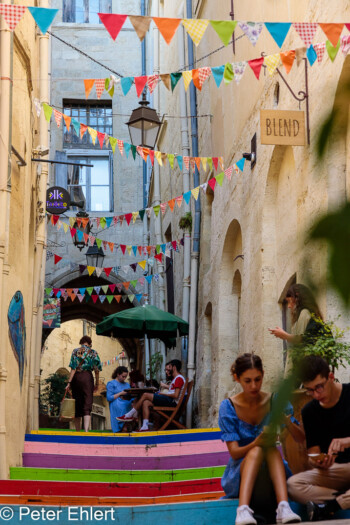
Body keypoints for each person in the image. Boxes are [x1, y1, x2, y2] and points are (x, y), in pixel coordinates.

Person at [219, 353, 303, 525]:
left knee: (269, 447)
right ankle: (242, 510)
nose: (254, 386)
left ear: (263, 375)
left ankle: (283, 507)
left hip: (273, 468)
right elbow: (234, 453)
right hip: (240, 472)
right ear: (237, 378)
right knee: (259, 448)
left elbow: (300, 437)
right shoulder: (229, 406)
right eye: (247, 381)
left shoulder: (274, 400)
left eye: (257, 379)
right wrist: (256, 443)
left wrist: (285, 419)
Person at [287, 355, 350, 521]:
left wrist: (347, 440)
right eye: (310, 390)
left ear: (330, 377)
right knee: (293, 485)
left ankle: (332, 506)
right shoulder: (309, 411)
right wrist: (317, 461)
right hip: (335, 473)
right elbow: (313, 453)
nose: (315, 395)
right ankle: (344, 500)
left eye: (319, 387)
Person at [117, 359, 185, 431]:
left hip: (172, 402)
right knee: (145, 402)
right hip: (170, 401)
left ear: (174, 367)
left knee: (145, 394)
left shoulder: (179, 379)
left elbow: (175, 395)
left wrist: (162, 394)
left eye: (170, 367)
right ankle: (145, 426)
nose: (167, 370)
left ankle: (130, 415)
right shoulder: (177, 378)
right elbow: (173, 391)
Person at [269, 284, 323, 375]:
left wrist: (285, 335)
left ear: (297, 298)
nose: (289, 306)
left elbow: (302, 341)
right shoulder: (304, 314)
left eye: (290, 301)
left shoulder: (304, 313)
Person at [65, 335, 102, 432]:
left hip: (76, 378)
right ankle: (86, 430)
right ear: (90, 344)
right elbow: (97, 369)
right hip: (87, 378)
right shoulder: (93, 352)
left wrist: (69, 382)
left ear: (81, 343)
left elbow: (73, 368)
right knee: (87, 402)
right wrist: (97, 383)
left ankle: (77, 431)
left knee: (77, 403)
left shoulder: (75, 351)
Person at [106, 366, 133, 433]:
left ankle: (127, 426)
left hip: (126, 401)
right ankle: (123, 426)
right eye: (123, 376)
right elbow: (109, 398)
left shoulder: (127, 385)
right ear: (118, 374)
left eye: (125, 377)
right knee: (120, 404)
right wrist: (121, 393)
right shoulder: (111, 384)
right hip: (116, 402)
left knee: (134, 402)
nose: (124, 378)